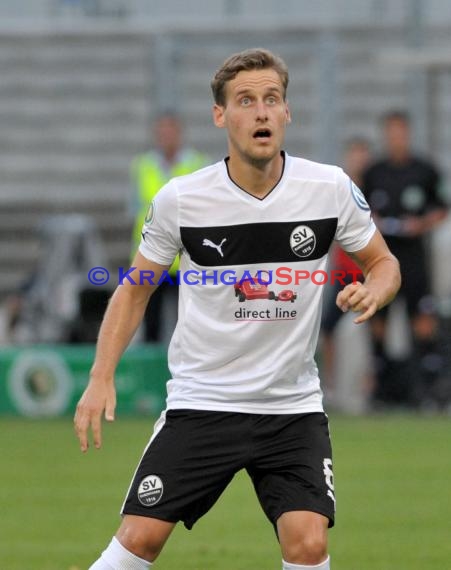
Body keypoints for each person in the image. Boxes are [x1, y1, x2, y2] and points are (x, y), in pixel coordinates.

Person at [74, 48, 401, 570]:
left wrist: (374, 290)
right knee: (139, 540)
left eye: (272, 99)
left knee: (309, 544)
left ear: (287, 112)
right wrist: (100, 375)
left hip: (290, 408)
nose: (262, 112)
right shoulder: (182, 199)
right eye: (245, 101)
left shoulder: (329, 188)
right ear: (221, 116)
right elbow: (134, 289)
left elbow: (384, 262)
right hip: (205, 401)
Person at [362, 110, 448, 407]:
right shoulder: (374, 172)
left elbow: (441, 209)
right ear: (385, 135)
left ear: (408, 134)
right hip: (381, 257)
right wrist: (376, 221)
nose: (396, 138)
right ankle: (380, 390)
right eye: (391, 133)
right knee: (378, 318)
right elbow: (360, 210)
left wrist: (421, 224)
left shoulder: (425, 170)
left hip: (414, 258)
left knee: (422, 320)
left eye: (401, 132)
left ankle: (428, 389)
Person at [129, 111, 208, 343]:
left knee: (188, 321)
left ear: (179, 134)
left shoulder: (197, 164)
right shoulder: (143, 166)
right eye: (162, 132)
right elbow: (135, 209)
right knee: (150, 320)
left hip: (186, 258)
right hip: (151, 256)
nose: (166, 137)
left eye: (170, 131)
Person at [320, 138, 372, 405]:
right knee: (328, 327)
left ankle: (369, 386)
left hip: (368, 274)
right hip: (345, 274)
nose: (358, 161)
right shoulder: (341, 191)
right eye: (354, 156)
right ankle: (330, 385)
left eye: (362, 156)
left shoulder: (375, 190)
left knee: (372, 331)